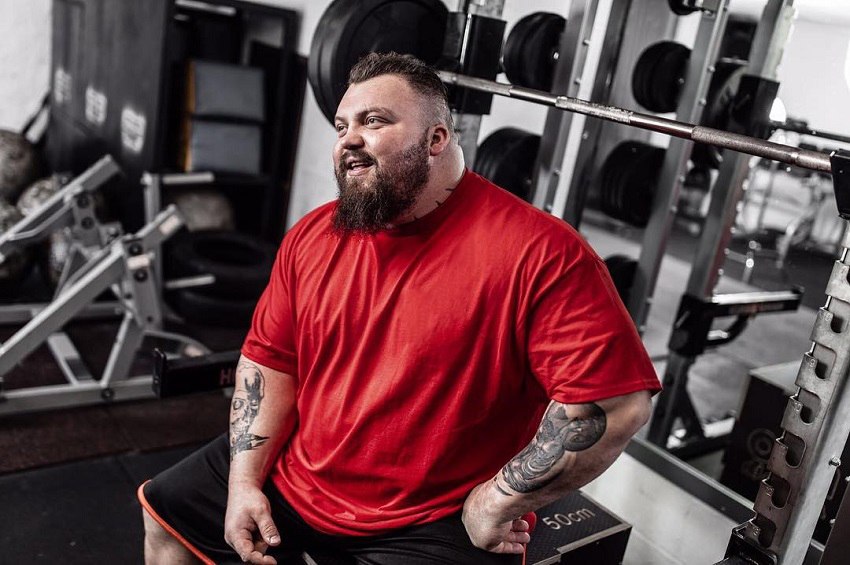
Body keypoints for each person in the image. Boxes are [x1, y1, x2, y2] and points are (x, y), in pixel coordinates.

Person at [139, 52, 661, 565]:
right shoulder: (313, 235)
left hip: (428, 517)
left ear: (436, 139)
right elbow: (271, 360)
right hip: (301, 474)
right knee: (165, 519)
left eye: (374, 121)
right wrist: (244, 482)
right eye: (341, 125)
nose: (349, 139)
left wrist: (497, 500)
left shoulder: (539, 252)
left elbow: (616, 405)